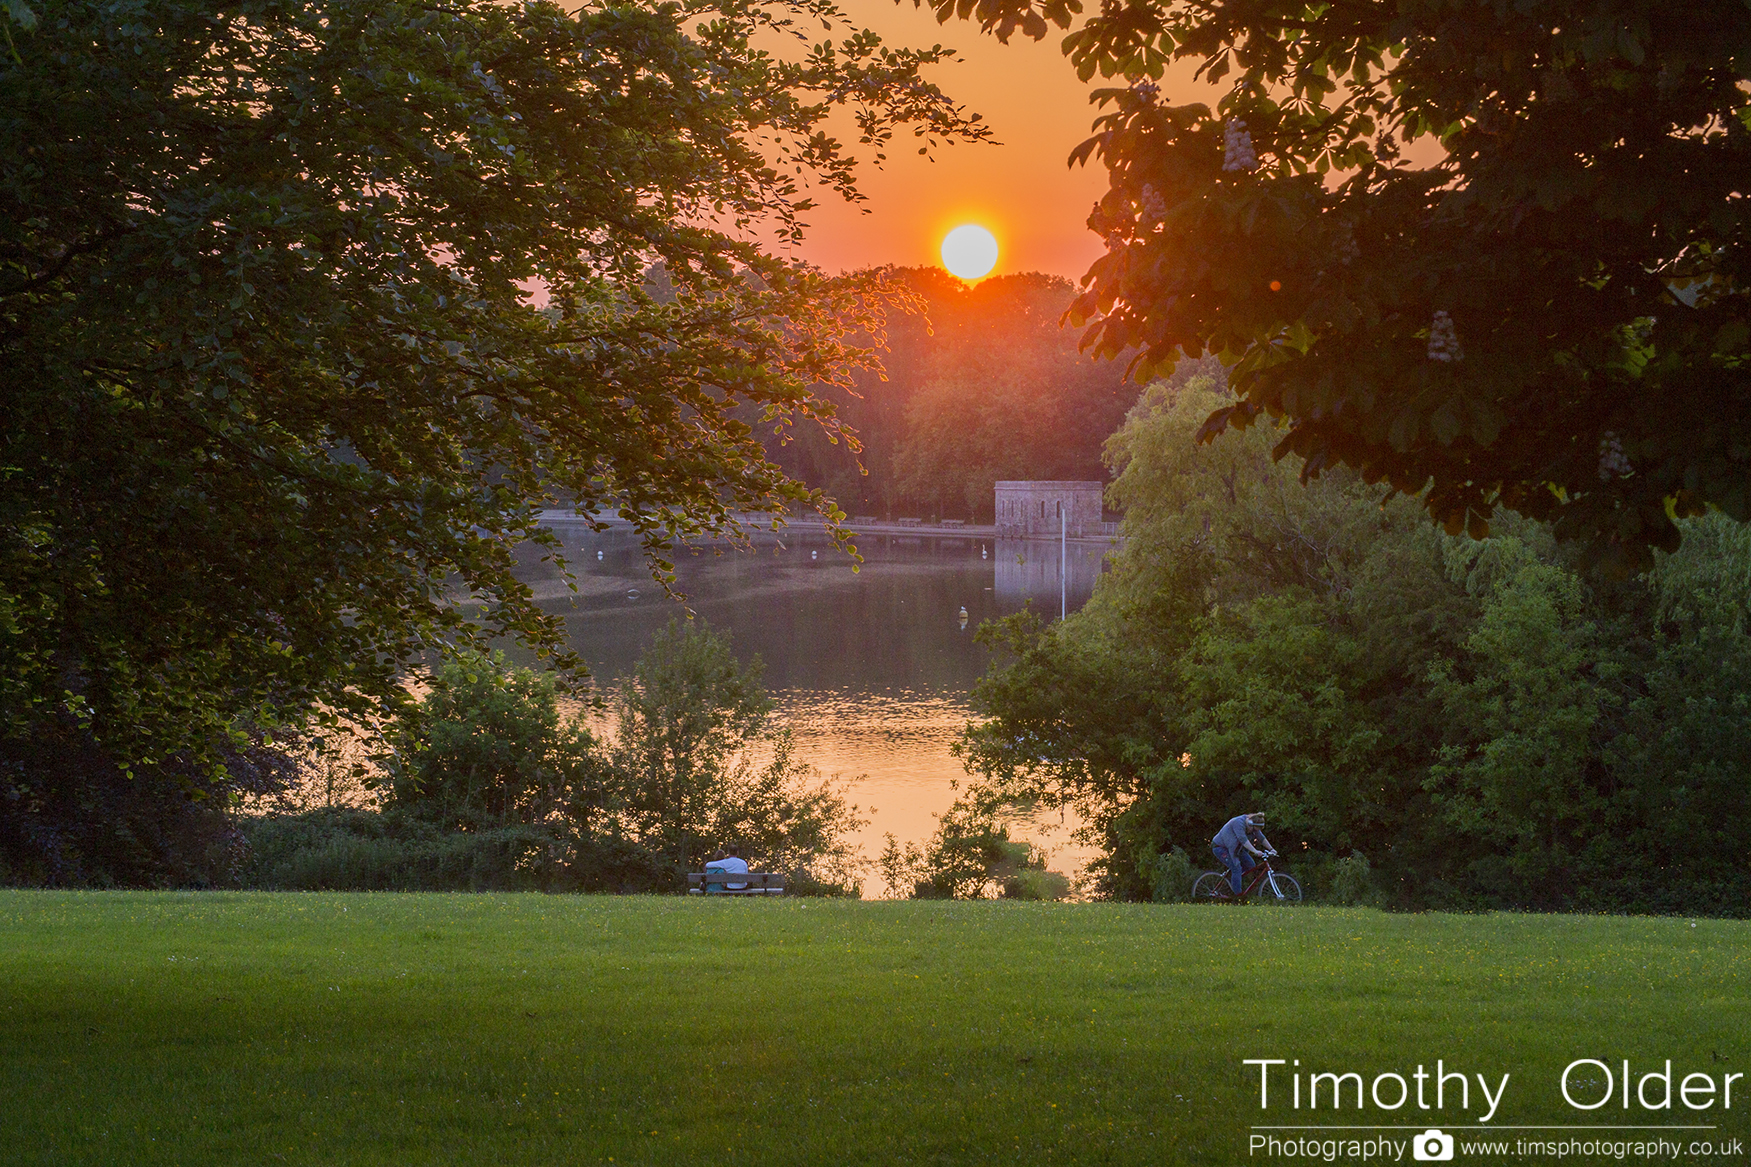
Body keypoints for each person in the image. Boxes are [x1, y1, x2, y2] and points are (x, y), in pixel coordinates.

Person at [1211, 812, 1274, 896]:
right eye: (1255, 829)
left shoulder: (1253, 825)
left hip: (1236, 849)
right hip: (1221, 848)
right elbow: (1243, 840)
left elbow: (1261, 838)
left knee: (1251, 865)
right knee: (1236, 868)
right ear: (1250, 825)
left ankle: (1234, 881)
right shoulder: (1238, 823)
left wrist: (1271, 849)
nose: (1256, 831)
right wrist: (1255, 851)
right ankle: (1238, 897)